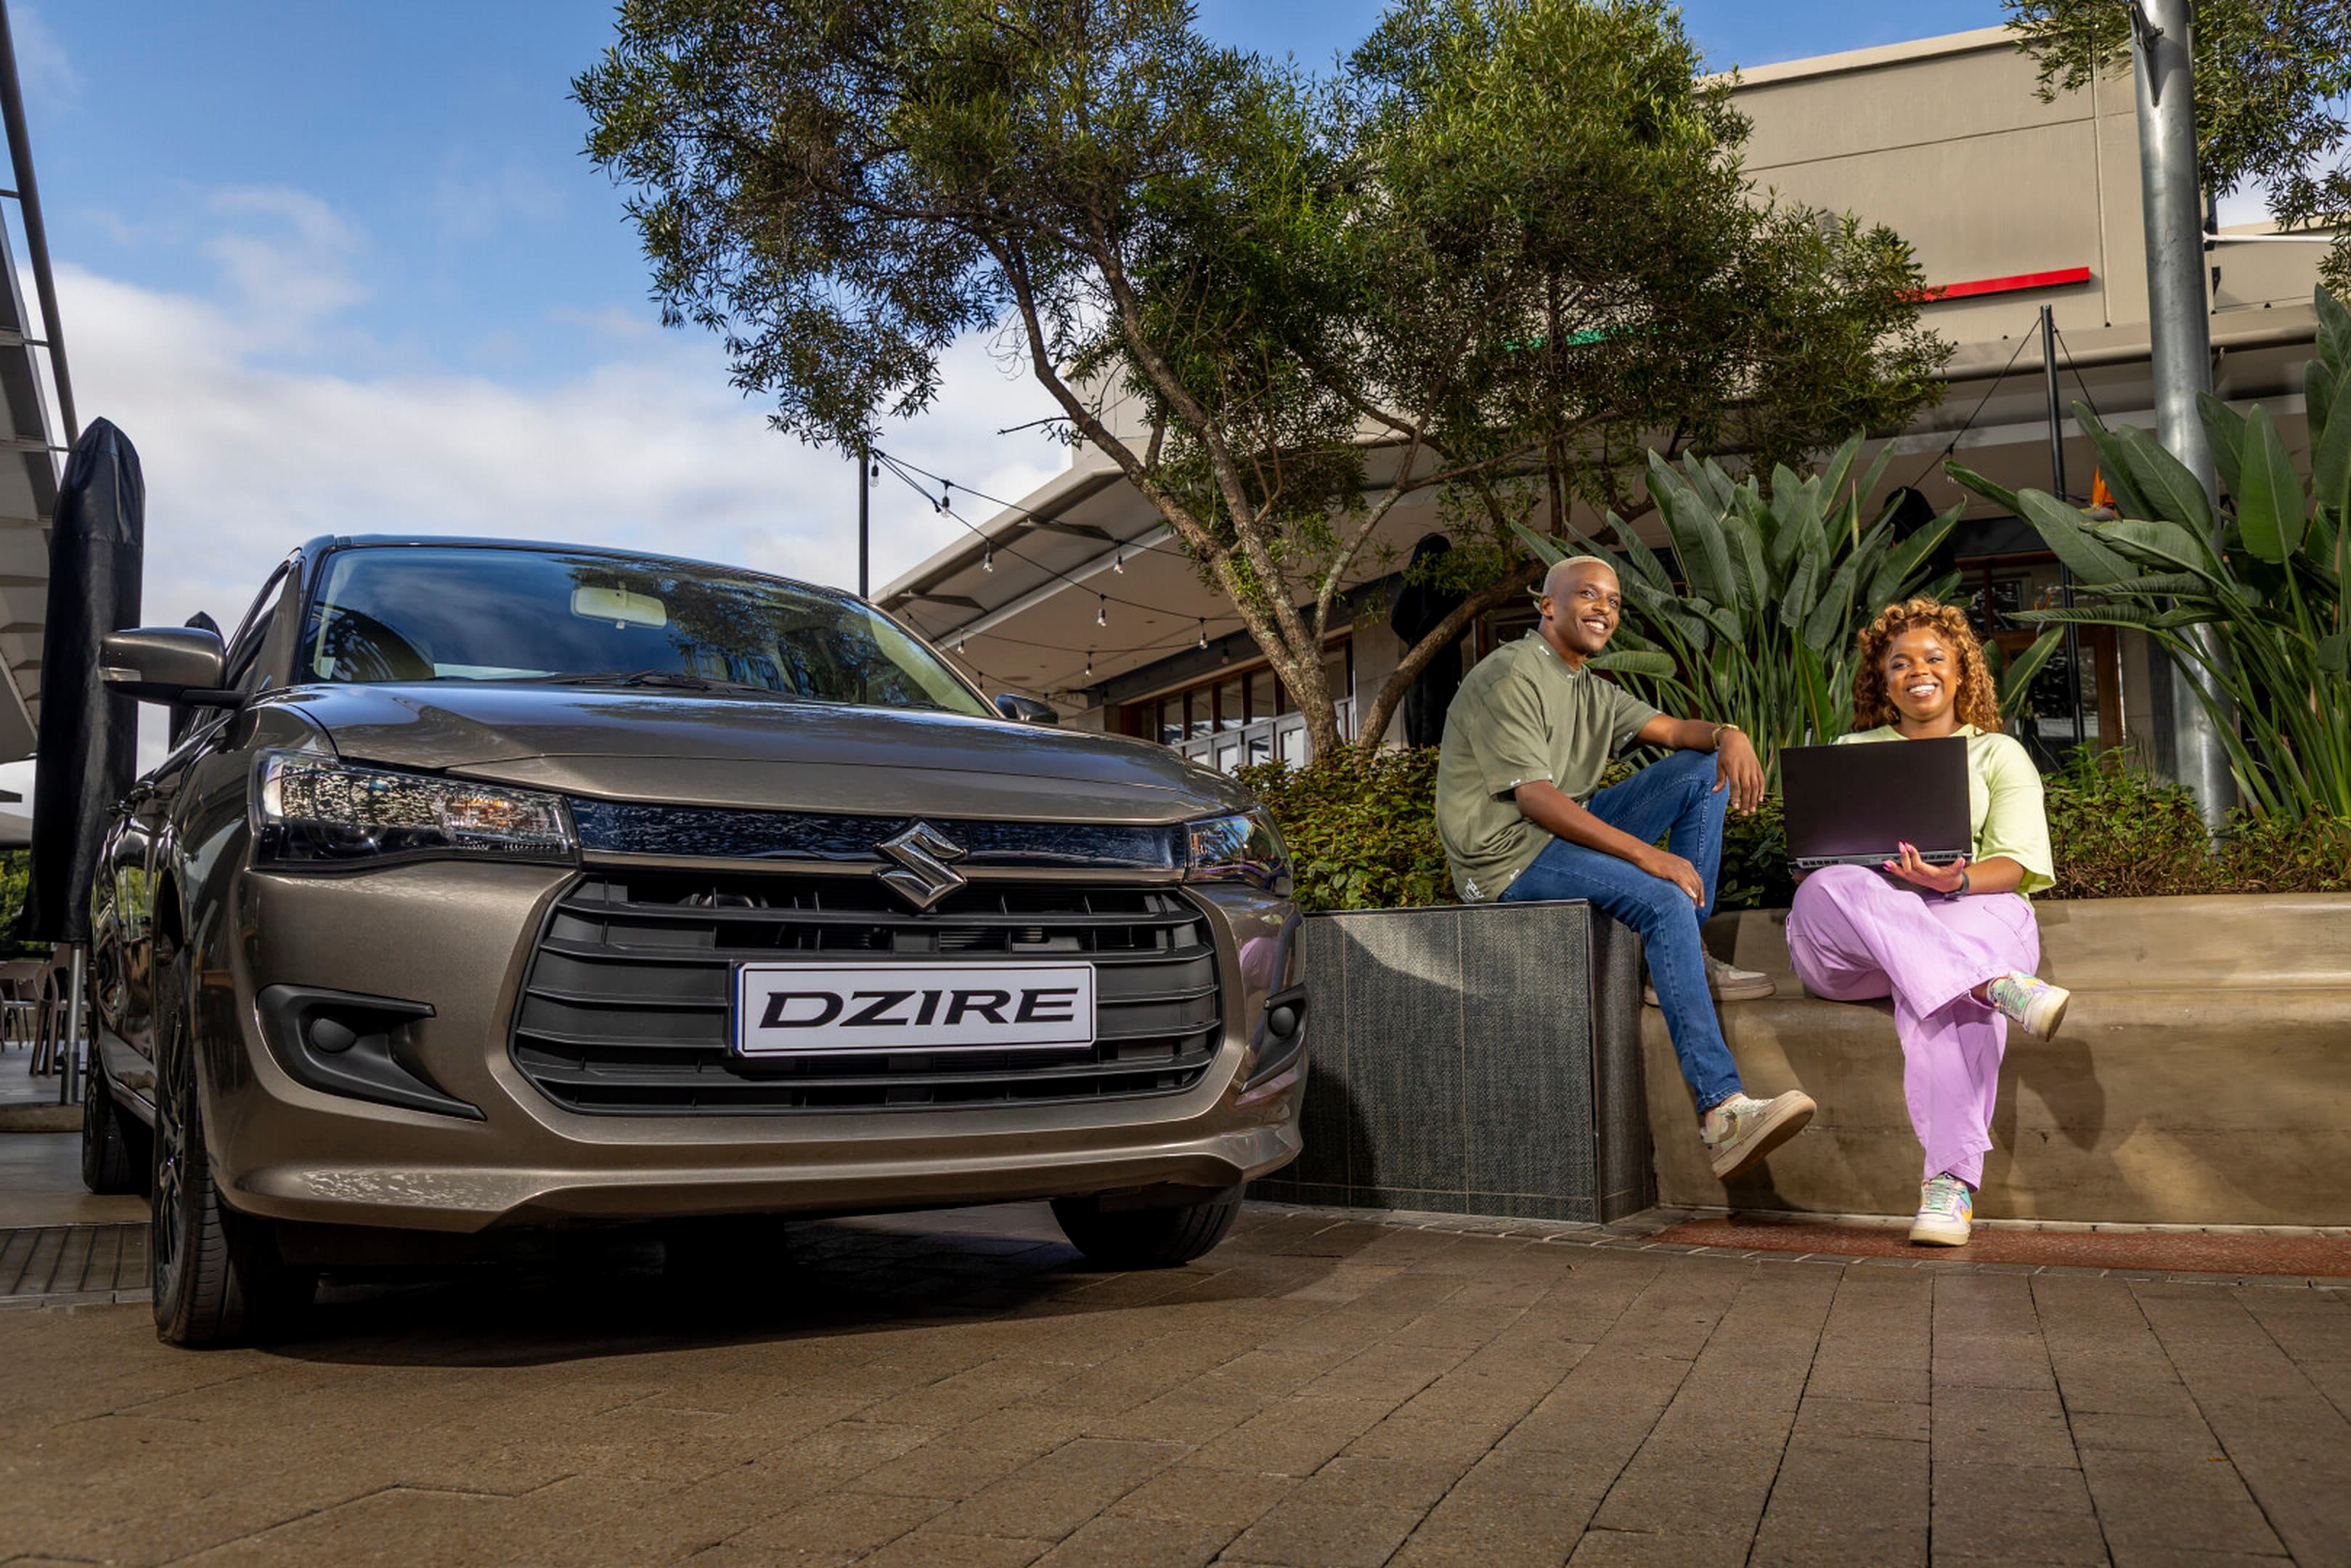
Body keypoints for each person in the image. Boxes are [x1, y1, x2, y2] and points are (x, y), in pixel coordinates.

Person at [1435, 555, 1813, 1182]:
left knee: (1703, 770)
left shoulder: (1590, 688)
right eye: (1587, 594)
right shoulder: (1512, 674)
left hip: (1551, 838)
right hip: (1504, 857)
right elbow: (1534, 798)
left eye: (1612, 601)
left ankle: (1684, 949)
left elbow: (1674, 732)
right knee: (1663, 898)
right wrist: (1648, 854)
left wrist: (1728, 734)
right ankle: (1723, 1113)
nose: (1603, 609)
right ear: (1547, 605)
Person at [1782, 598, 2070, 1247]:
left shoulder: (1997, 753)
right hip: (1860, 941)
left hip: (1971, 908)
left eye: (1936, 658)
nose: (1920, 671)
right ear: (1882, 682)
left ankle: (1949, 1186)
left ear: (1962, 672)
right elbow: (1814, 871)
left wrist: (1955, 879)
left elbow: (2020, 863)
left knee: (1944, 1001)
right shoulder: (1851, 751)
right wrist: (1863, 876)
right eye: (1901, 663)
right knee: (1834, 882)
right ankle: (1993, 982)